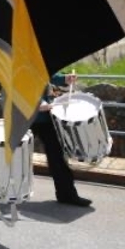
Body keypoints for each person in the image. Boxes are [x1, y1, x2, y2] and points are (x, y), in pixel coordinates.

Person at [32, 72, 92, 207]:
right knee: (13, 156)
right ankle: (1, 190)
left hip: (45, 117)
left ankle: (67, 195)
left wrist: (64, 78)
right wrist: (38, 102)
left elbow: (45, 73)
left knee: (58, 157)